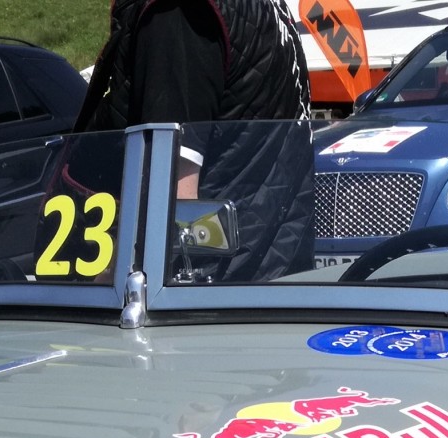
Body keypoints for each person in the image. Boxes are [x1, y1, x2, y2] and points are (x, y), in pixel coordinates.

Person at [76, 0, 315, 280]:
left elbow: (170, 203)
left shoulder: (178, 13)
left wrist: (112, 279)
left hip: (204, 284)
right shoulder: (269, 8)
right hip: (273, 272)